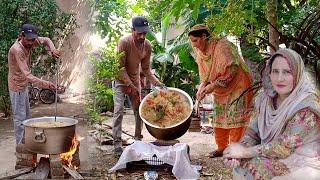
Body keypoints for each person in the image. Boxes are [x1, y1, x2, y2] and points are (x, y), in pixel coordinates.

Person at [223, 48, 320, 179]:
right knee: (241, 167)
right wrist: (237, 152)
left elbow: (283, 146)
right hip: (274, 154)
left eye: (287, 72)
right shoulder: (265, 100)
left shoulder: (306, 107)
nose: (280, 78)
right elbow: (253, 132)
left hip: (305, 161)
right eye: (275, 71)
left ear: (297, 74)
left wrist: (244, 152)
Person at [188, 24, 254, 158]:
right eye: (192, 42)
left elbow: (232, 69)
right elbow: (205, 77)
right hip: (221, 88)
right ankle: (222, 148)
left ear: (204, 36)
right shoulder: (200, 53)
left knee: (236, 118)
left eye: (195, 41)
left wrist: (211, 87)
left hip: (238, 83)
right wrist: (201, 89)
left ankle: (236, 150)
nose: (194, 45)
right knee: (220, 117)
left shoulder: (223, 46)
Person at [112, 16, 163, 156]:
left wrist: (157, 83)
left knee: (138, 111)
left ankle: (137, 140)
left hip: (134, 80)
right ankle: (117, 143)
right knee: (118, 111)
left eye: (144, 33)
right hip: (120, 80)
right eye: (139, 33)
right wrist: (129, 85)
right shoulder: (124, 42)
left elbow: (146, 69)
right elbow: (120, 68)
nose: (142, 36)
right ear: (132, 30)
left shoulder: (147, 46)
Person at [8, 23, 60, 144]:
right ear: (22, 35)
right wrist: (47, 84)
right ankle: (21, 147)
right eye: (28, 39)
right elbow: (28, 75)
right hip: (16, 86)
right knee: (19, 119)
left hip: (23, 84)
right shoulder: (17, 50)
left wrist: (53, 49)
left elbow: (46, 40)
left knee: (26, 116)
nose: (31, 43)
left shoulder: (30, 41)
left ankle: (27, 141)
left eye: (33, 40)